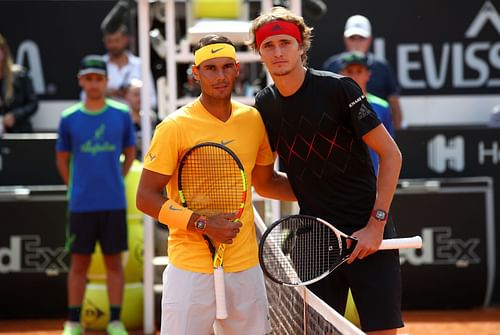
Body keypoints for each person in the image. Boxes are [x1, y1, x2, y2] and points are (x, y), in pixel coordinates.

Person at [248, 7, 403, 335]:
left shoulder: (341, 89)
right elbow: (263, 182)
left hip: (368, 234)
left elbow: (391, 154)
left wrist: (376, 224)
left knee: (383, 332)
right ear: (258, 52)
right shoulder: (264, 105)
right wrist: (313, 190)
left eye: (285, 43)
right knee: (317, 332)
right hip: (313, 238)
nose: (278, 52)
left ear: (301, 45)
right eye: (269, 45)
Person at [135, 34, 295, 335]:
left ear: (237, 69)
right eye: (210, 68)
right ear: (195, 74)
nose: (219, 76)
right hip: (189, 268)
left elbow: (267, 182)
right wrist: (202, 224)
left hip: (245, 266)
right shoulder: (173, 127)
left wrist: (323, 189)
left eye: (225, 67)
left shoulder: (253, 121)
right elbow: (145, 197)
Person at [56, 55, 136, 335]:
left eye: (98, 79)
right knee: (79, 264)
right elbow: (62, 159)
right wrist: (75, 187)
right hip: (81, 205)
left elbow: (130, 153)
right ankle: (73, 322)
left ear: (106, 81)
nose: (93, 84)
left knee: (114, 262)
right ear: (81, 81)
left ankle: (115, 321)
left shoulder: (121, 114)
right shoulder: (69, 119)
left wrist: (117, 179)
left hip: (113, 202)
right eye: (88, 79)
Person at [323, 14, 404, 130]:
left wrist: (398, 132)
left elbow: (393, 101)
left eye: (361, 38)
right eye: (352, 38)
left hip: (377, 126)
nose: (357, 42)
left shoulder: (382, 67)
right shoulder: (332, 65)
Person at [339, 50, 394, 174]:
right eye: (350, 72)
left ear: (368, 74)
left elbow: (389, 150)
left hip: (372, 178)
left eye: (359, 71)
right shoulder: (332, 105)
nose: (354, 76)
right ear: (341, 74)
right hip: (341, 179)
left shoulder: (382, 106)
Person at [101, 24, 157, 109]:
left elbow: (152, 100)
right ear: (104, 41)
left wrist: (134, 96)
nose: (113, 45)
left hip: (135, 119)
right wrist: (106, 93)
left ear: (125, 40)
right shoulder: (99, 65)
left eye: (117, 40)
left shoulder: (140, 65)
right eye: (109, 41)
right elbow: (85, 98)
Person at [0, 33, 38, 133]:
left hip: (19, 133)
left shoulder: (19, 75)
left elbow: (33, 103)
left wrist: (15, 116)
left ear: (3, 52)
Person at [123, 78, 158, 159]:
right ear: (127, 97)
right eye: (135, 94)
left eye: (142, 94)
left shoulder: (154, 119)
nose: (139, 98)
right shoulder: (123, 120)